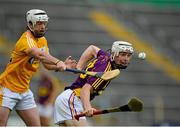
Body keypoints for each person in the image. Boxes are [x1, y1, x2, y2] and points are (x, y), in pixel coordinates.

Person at [0, 9, 76, 126]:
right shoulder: (26, 40)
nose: (42, 26)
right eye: (39, 23)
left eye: (44, 23)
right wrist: (58, 61)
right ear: (30, 25)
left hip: (24, 91)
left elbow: (46, 64)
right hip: (6, 89)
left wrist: (62, 66)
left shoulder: (42, 41)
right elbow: (39, 54)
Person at [54, 41, 134, 126]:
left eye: (128, 55)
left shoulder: (105, 56)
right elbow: (85, 89)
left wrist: (79, 67)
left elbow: (92, 49)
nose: (126, 59)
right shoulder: (105, 70)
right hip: (72, 100)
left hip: (68, 99)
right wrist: (88, 107)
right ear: (114, 54)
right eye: (123, 55)